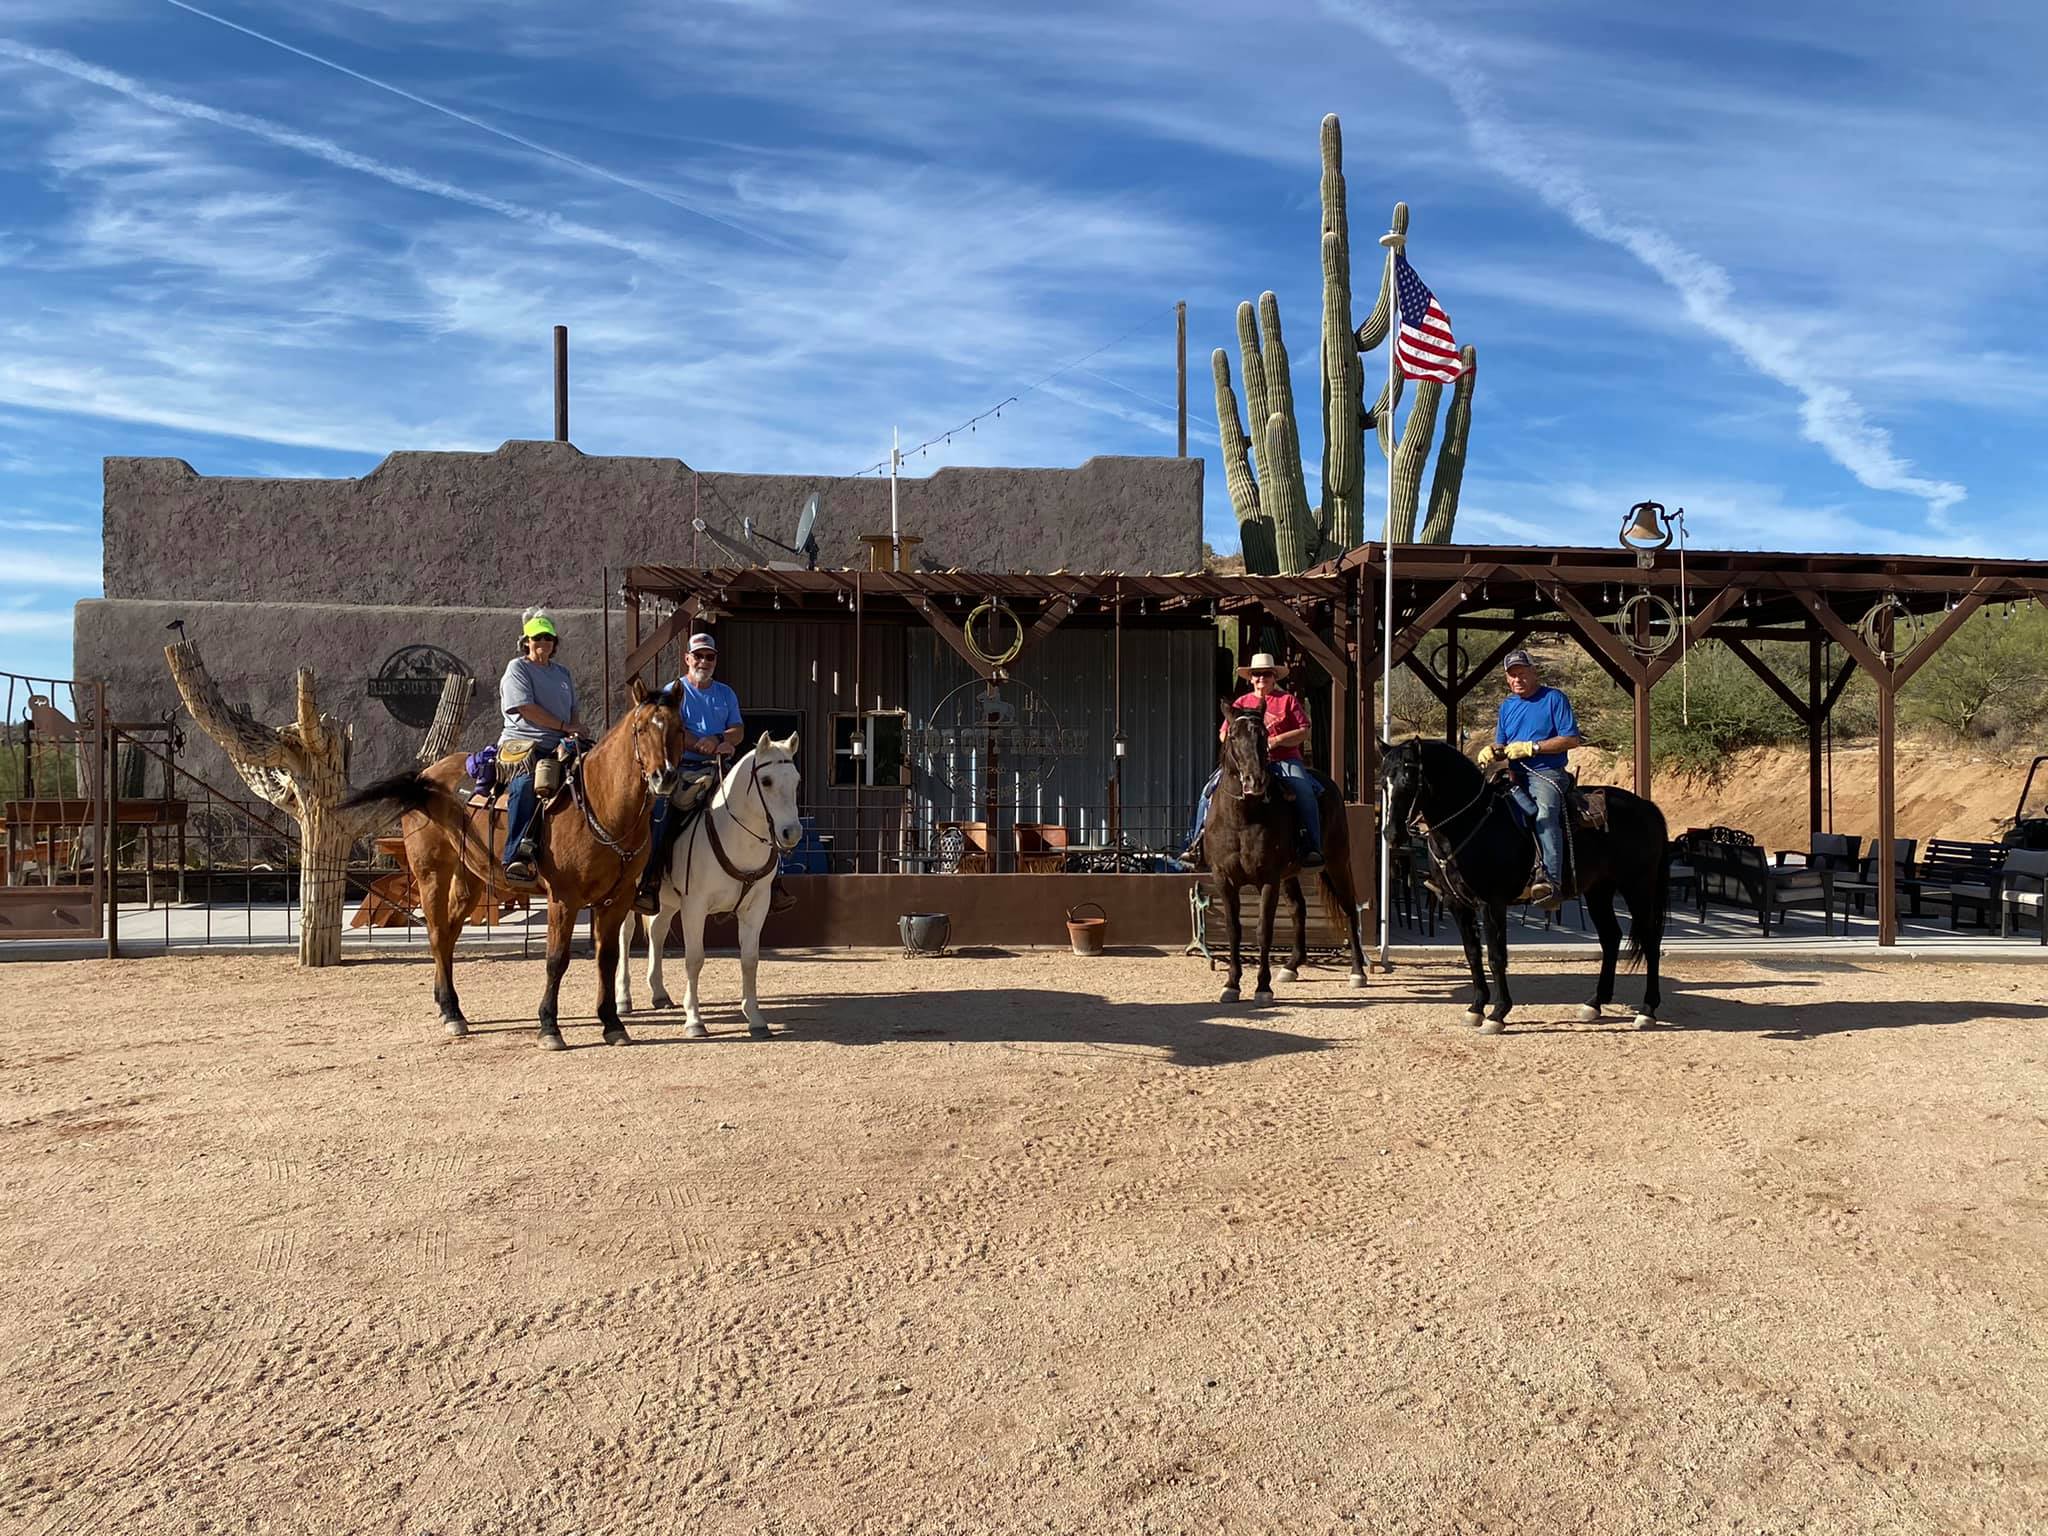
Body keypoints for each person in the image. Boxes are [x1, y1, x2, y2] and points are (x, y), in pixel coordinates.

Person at [632, 633, 763, 915]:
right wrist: (699, 744)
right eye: (699, 656)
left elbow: (738, 730)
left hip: (718, 767)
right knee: (662, 813)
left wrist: (720, 739)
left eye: (710, 656)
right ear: (687, 659)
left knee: (760, 805)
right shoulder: (673, 691)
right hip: (681, 768)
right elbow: (667, 728)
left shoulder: (726, 693)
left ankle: (769, 882)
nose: (704, 661)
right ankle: (651, 881)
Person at [1183, 653, 1323, 871]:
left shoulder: (1287, 700)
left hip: (1283, 759)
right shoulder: (1240, 703)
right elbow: (1223, 734)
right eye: (1256, 674)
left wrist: (1277, 740)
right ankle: (1195, 844)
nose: (1261, 678)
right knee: (1207, 792)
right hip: (1246, 763)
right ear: (1250, 678)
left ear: (1274, 676)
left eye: (1266, 674)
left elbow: (1304, 731)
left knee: (1303, 790)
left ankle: (1311, 845)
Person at [1477, 648, 1584, 907]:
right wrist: (1493, 751)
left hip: (1546, 773)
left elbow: (1572, 739)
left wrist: (1532, 747)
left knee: (1544, 814)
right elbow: (1503, 746)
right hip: (1515, 775)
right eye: (1512, 676)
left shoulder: (1554, 699)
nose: (1517, 680)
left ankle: (1551, 882)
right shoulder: (1507, 706)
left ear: (1533, 672)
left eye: (1522, 674)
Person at [498, 608, 584, 882]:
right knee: (526, 786)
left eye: (548, 638)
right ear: (526, 642)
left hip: (560, 743)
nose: (543, 643)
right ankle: (517, 855)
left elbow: (573, 711)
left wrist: (572, 732)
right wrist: (563, 727)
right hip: (525, 745)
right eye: (537, 638)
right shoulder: (518, 668)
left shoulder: (563, 673)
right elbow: (525, 707)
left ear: (554, 643)